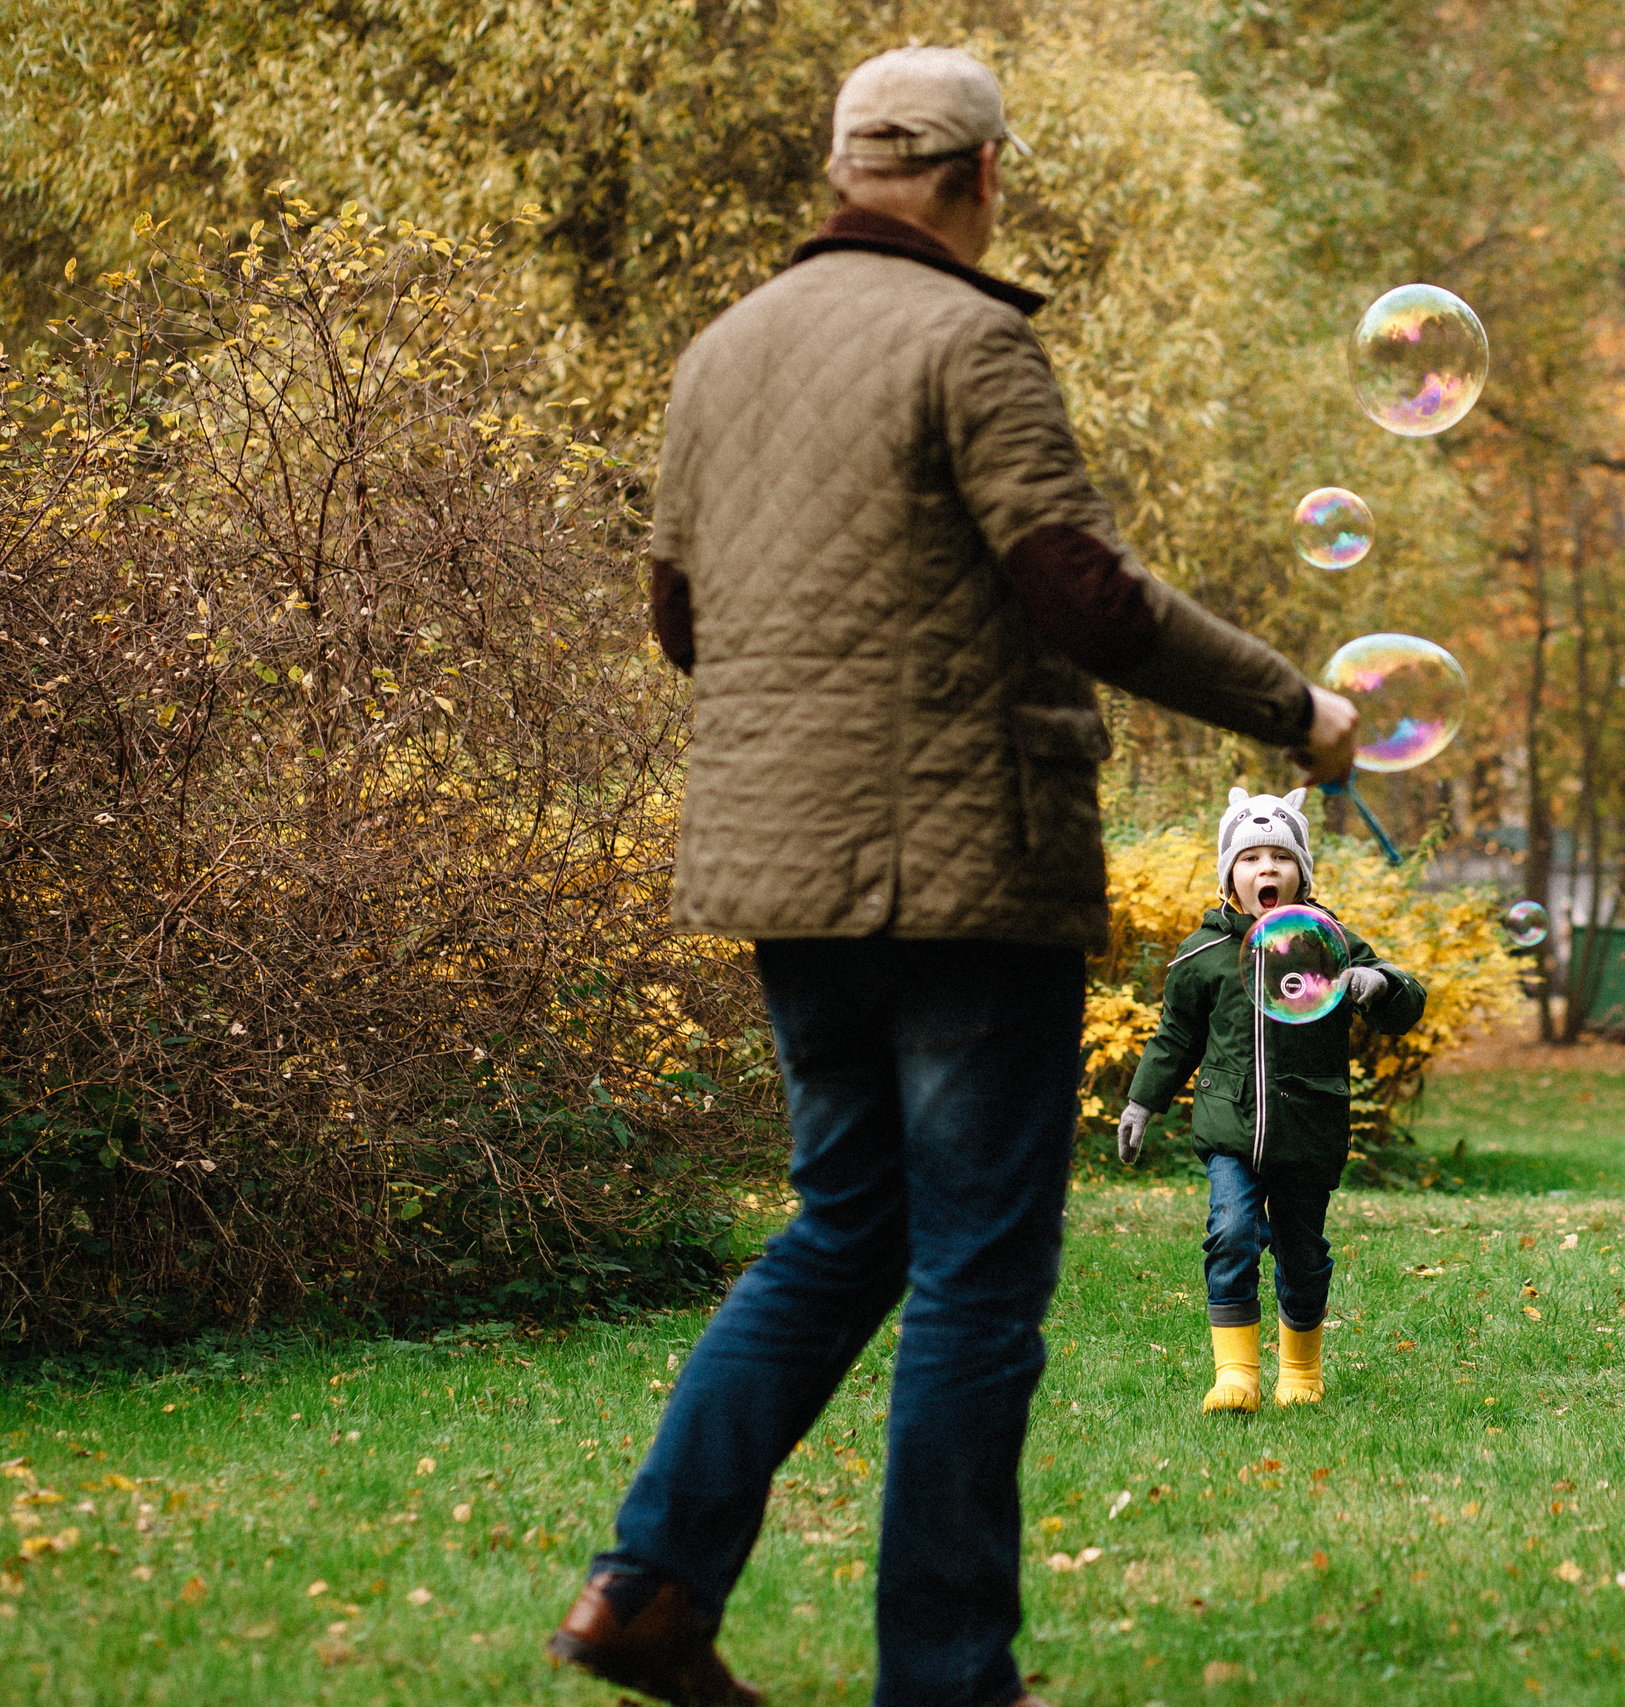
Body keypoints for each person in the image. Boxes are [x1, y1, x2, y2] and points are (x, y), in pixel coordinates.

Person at [543, 46, 1360, 1707]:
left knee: (843, 1226)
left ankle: (648, 1588)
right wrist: (1299, 708)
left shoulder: (722, 354)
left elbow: (685, 626)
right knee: (974, 1275)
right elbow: (1085, 595)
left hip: (790, 876)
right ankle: (949, 1678)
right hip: (965, 883)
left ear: (848, 175)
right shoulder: (970, 339)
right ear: (983, 180)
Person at [1113, 787, 1425, 1411]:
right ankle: (1236, 1376)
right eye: (1251, 859)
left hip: (1308, 1126)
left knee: (1303, 1253)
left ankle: (1300, 1375)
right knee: (1230, 1233)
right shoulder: (1202, 954)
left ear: (1301, 875)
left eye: (1280, 860)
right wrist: (1142, 1102)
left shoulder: (1327, 943)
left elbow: (1405, 1003)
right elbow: (1176, 1036)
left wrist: (1377, 982)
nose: (1267, 870)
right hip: (1231, 1125)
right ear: (1230, 874)